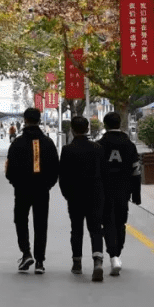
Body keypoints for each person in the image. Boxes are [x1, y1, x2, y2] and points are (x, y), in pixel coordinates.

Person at [5, 107, 59, 274]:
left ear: (25, 120)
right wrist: (47, 184)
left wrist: (16, 183)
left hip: (22, 189)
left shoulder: (17, 143)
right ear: (39, 119)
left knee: (21, 220)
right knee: (41, 223)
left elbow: (9, 170)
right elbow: (55, 168)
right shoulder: (48, 143)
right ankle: (40, 262)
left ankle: (26, 252)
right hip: (42, 189)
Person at [58, 116, 105, 282]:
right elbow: (104, 173)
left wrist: (66, 194)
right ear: (88, 129)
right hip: (95, 194)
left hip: (75, 196)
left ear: (72, 129)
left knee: (76, 229)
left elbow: (62, 176)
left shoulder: (67, 150)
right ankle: (98, 261)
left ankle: (77, 263)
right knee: (96, 229)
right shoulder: (98, 148)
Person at [98, 112, 141, 277]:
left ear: (105, 125)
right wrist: (136, 195)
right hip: (124, 191)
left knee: (107, 222)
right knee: (120, 223)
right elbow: (136, 171)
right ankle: (118, 253)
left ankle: (113, 255)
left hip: (105, 191)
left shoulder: (100, 145)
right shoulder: (129, 145)